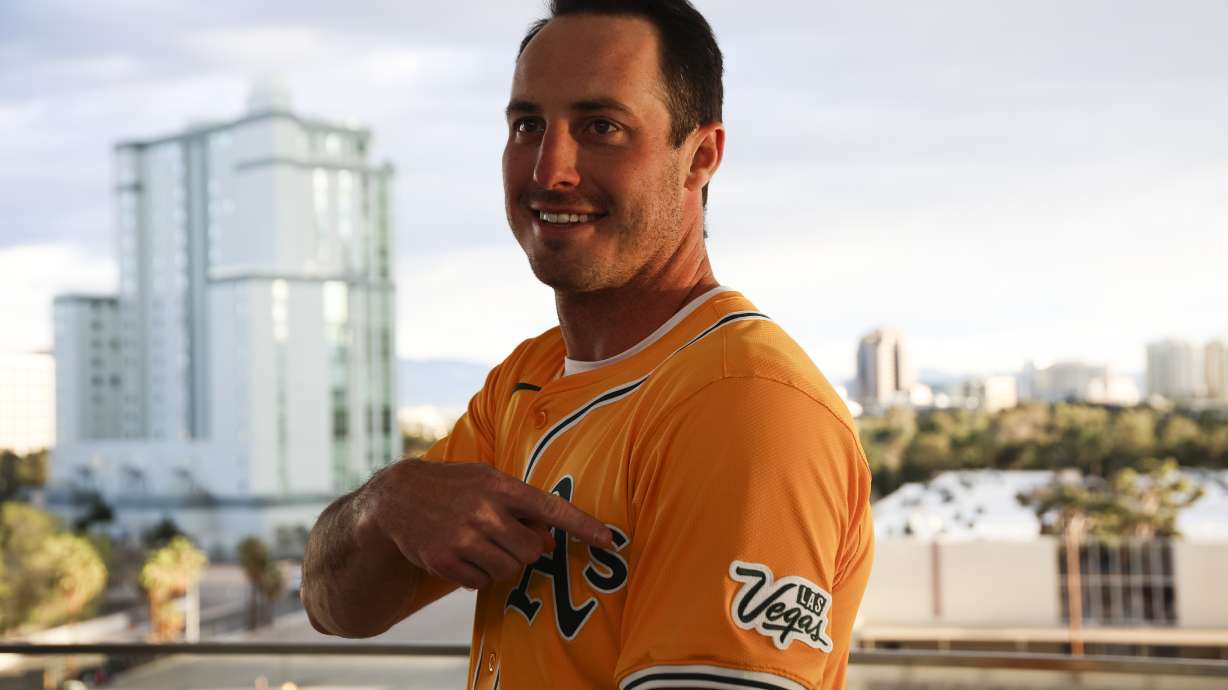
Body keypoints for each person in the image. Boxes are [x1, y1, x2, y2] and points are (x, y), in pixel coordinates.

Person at [300, 1, 874, 688]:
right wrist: (384, 505)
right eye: (528, 125)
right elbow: (335, 608)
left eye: (601, 127)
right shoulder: (526, 380)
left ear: (700, 157)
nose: (550, 170)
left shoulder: (744, 405)